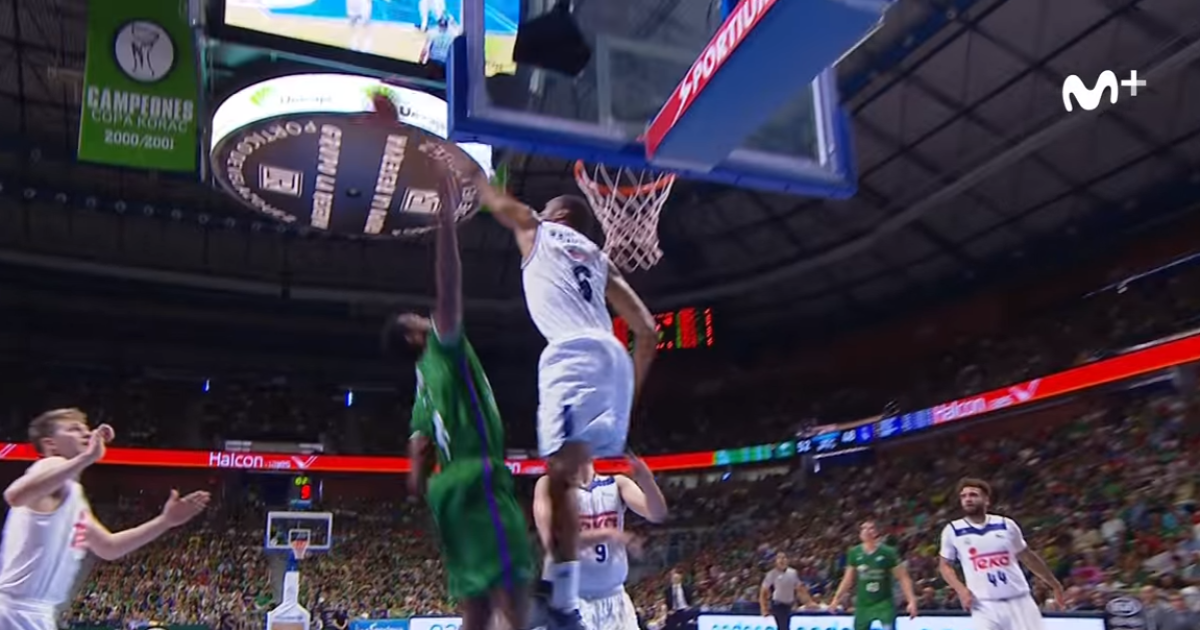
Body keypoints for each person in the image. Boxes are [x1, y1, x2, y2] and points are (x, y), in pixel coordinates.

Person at [475, 177, 658, 630]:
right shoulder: (599, 259)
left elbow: (496, 200)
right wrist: (627, 397)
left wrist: (468, 173)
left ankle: (558, 607)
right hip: (612, 364)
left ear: (555, 215)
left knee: (556, 484)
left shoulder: (539, 230)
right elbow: (649, 333)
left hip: (572, 356)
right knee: (571, 478)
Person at [390, 190, 535, 630]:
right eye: (417, 319)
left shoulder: (421, 387)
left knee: (476, 608)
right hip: (479, 479)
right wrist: (447, 223)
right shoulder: (443, 349)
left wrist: (423, 486)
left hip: (447, 495)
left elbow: (417, 461)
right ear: (414, 337)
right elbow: (449, 284)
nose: (426, 316)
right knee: (514, 602)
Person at [0, 409, 211, 630]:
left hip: (34, 613)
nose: (86, 433)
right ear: (50, 444)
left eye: (85, 428)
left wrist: (165, 521)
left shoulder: (73, 494)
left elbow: (109, 547)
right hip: (17, 610)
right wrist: (86, 458)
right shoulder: (50, 464)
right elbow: (15, 495)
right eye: (74, 429)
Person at [532, 455, 668, 630]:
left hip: (614, 598)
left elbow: (657, 515)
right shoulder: (548, 485)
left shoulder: (617, 483)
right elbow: (552, 541)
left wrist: (647, 481)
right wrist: (607, 533)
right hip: (571, 600)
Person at [938, 478, 1065, 630]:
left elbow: (1027, 557)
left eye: (973, 495)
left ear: (986, 500)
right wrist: (961, 590)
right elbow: (945, 566)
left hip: (1019, 600)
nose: (968, 499)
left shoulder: (1006, 524)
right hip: (983, 604)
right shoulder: (952, 530)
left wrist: (1054, 584)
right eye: (963, 496)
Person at [830, 520, 919, 630]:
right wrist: (836, 599)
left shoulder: (888, 552)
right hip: (863, 604)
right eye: (863, 528)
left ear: (877, 532)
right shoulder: (854, 552)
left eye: (870, 528)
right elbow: (847, 580)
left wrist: (911, 601)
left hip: (884, 603)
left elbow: (903, 577)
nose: (866, 531)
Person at [760, 552, 815, 630]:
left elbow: (800, 588)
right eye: (779, 558)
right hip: (778, 604)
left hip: (790, 604)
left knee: (786, 626)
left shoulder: (793, 572)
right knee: (783, 626)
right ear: (775, 561)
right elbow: (763, 592)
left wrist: (809, 602)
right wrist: (763, 608)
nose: (782, 560)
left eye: (784, 558)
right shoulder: (772, 574)